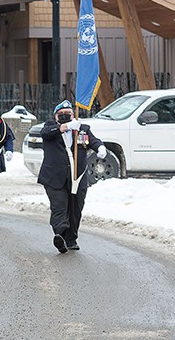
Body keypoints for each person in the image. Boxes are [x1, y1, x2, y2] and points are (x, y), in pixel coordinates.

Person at [38, 100, 106, 253]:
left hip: (77, 177)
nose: (64, 116)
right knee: (59, 207)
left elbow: (93, 141)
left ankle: (71, 239)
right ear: (55, 116)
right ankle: (60, 235)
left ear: (73, 115)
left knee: (76, 209)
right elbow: (45, 134)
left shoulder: (82, 129)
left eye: (67, 114)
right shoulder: (49, 127)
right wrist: (65, 127)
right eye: (60, 114)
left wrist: (100, 147)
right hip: (54, 178)